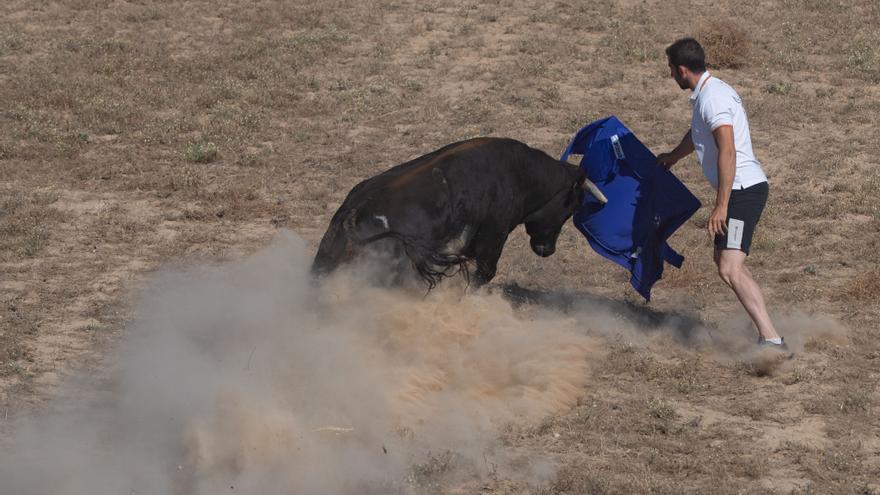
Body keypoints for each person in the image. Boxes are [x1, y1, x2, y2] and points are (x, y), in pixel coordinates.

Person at [656, 37, 790, 354]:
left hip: (742, 191)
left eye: (671, 70)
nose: (672, 76)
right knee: (726, 263)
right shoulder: (708, 94)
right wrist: (673, 156)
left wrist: (721, 206)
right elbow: (698, 134)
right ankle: (764, 326)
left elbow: (727, 150)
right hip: (740, 189)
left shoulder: (713, 98)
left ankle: (771, 340)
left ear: (682, 69)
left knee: (729, 267)